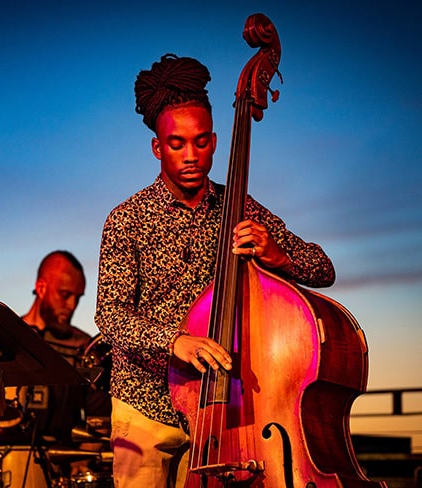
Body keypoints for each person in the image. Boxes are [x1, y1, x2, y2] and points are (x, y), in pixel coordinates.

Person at [94, 54, 336, 487]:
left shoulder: (240, 206)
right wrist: (175, 342)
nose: (192, 156)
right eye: (177, 144)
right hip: (144, 403)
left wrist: (277, 255)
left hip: (226, 411)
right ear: (157, 147)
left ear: (217, 141)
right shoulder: (126, 219)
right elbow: (110, 316)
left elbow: (323, 269)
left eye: (202, 142)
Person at [20, 250, 111, 481]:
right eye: (64, 295)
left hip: (60, 466)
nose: (71, 305)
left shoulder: (85, 350)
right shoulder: (4, 340)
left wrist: (82, 457)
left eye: (78, 297)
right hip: (6, 456)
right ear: (41, 288)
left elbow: (100, 420)